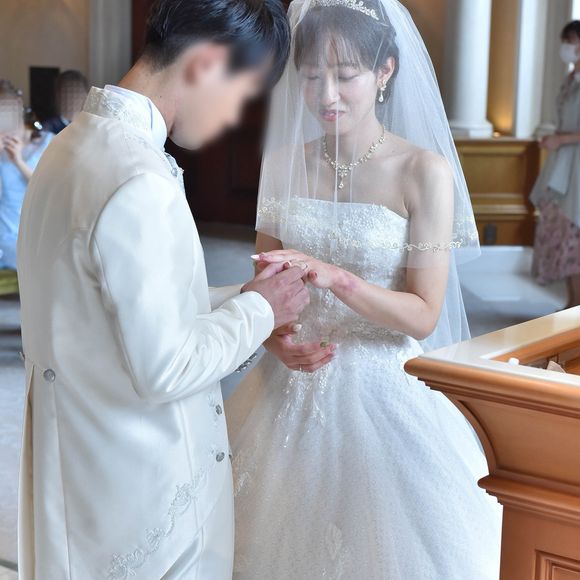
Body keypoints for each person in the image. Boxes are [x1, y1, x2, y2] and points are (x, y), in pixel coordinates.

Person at [16, 1, 308, 578]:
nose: (233, 118)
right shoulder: (138, 180)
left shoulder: (69, 148)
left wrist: (247, 296)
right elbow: (167, 367)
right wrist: (259, 310)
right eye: (241, 95)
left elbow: (118, 308)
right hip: (142, 487)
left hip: (78, 460)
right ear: (205, 65)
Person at [226, 0, 502, 578]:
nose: (326, 95)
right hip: (287, 380)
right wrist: (274, 337)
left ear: (384, 71)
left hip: (383, 381)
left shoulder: (422, 171)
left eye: (345, 75)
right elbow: (264, 281)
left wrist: (339, 278)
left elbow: (424, 314)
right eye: (310, 76)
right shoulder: (281, 162)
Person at [531, 21, 580, 307]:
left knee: (575, 229)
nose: (566, 47)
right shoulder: (571, 78)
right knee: (564, 234)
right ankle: (571, 303)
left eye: (571, 41)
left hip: (576, 165)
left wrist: (561, 139)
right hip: (564, 162)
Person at [0, 80, 52, 269]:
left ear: (18, 104)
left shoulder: (47, 142)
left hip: (37, 231)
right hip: (5, 233)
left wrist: (18, 162)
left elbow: (50, 190)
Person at [42, 70, 89, 134]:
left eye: (77, 92)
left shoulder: (91, 126)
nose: (72, 96)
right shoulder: (47, 128)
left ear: (86, 95)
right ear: (57, 95)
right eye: (66, 92)